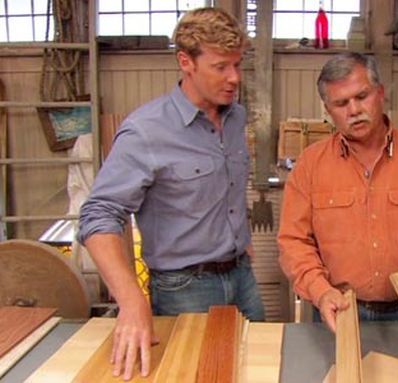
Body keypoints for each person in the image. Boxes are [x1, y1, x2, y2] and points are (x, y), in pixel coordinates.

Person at [78, 8, 264, 380]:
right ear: (186, 62)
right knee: (188, 374)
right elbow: (98, 215)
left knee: (254, 369)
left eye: (238, 65)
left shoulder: (236, 117)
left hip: (242, 276)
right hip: (184, 288)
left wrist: (233, 235)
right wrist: (131, 300)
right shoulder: (146, 131)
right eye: (221, 66)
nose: (234, 78)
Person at [278, 52, 398, 336]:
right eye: (341, 103)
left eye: (362, 96)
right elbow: (294, 241)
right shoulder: (310, 164)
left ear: (380, 93)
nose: (354, 109)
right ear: (328, 110)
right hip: (339, 309)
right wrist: (320, 291)